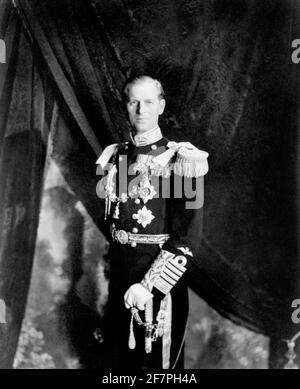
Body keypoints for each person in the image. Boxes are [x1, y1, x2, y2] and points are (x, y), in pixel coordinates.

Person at [96, 75, 209, 369]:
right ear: (126, 106)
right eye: (134, 101)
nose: (141, 110)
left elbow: (187, 240)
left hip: (159, 289)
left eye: (148, 102)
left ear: (161, 106)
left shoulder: (181, 160)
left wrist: (149, 286)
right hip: (120, 283)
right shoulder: (117, 156)